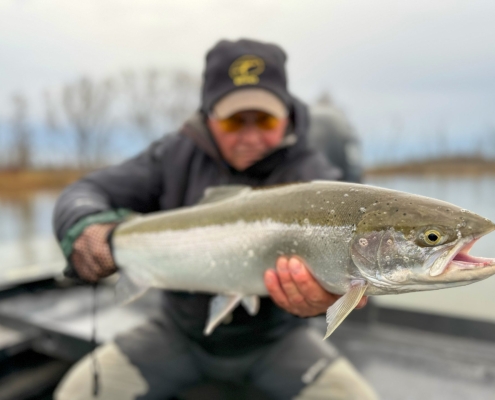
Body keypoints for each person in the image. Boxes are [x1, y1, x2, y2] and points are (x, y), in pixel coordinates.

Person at [53, 39, 378, 400]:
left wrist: (323, 302)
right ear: (209, 116)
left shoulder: (314, 176)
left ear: (287, 115)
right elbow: (84, 192)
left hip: (276, 340)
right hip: (178, 333)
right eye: (235, 120)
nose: (250, 136)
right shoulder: (174, 155)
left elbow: (342, 284)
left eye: (266, 119)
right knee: (78, 392)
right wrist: (85, 227)